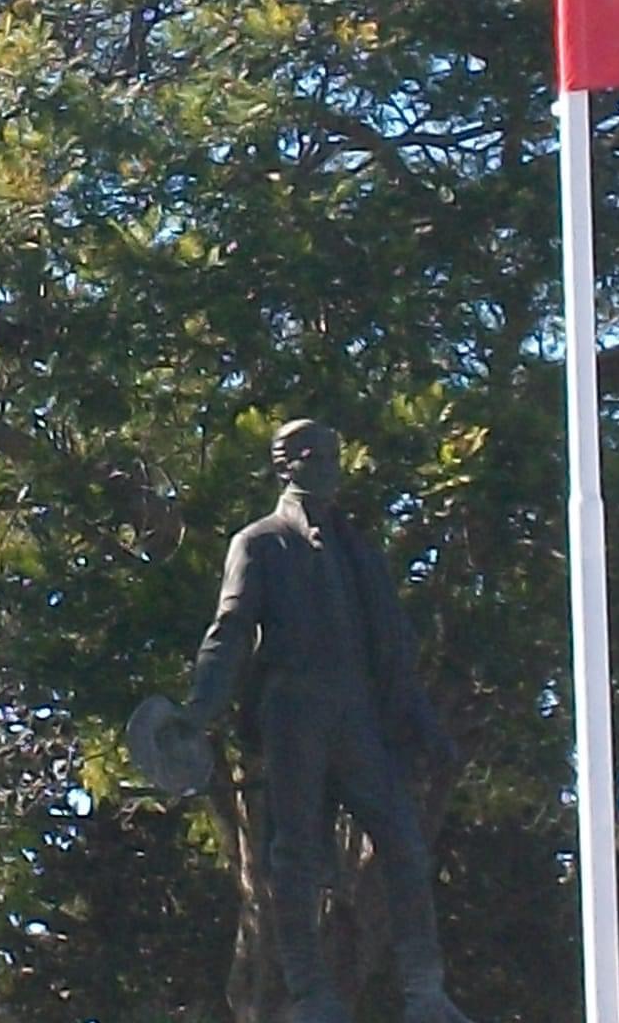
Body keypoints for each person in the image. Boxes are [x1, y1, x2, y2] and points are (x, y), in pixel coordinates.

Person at [184, 418, 472, 1023]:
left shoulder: (359, 550)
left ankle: (425, 989)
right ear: (284, 465)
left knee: (402, 843)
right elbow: (231, 630)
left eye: (334, 454)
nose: (327, 465)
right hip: (294, 710)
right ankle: (311, 992)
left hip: (358, 712)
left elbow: (392, 652)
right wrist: (198, 711)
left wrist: (425, 726)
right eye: (312, 454)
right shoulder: (259, 542)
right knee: (294, 854)